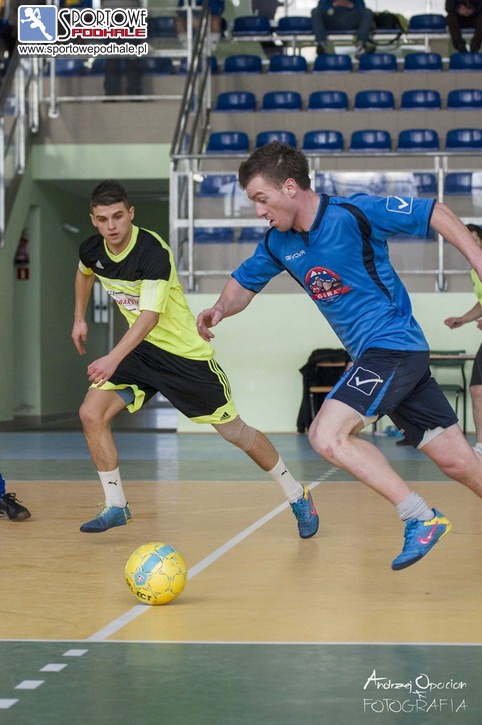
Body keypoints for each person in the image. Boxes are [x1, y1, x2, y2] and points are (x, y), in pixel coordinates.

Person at [196, 141, 482, 571]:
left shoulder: (354, 213)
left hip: (393, 346)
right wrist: (220, 308)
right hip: (383, 358)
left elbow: (434, 212)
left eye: (261, 198)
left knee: (326, 435)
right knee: (459, 463)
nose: (258, 211)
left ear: (289, 187)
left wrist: (479, 261)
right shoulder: (278, 243)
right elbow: (244, 283)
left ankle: (420, 517)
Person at [71, 180, 318, 538]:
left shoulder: (151, 251)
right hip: (140, 352)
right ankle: (116, 505)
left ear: (131, 214)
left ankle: (297, 495)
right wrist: (79, 318)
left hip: (183, 357)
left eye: (118, 216)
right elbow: (84, 272)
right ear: (93, 220)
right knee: (91, 413)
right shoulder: (92, 249)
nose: (112, 226)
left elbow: (149, 317)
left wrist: (111, 358)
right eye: (103, 219)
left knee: (236, 433)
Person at [445, 223, 482, 455]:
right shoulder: (474, 271)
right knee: (477, 388)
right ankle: (481, 446)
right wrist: (464, 319)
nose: (468, 244)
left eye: (473, 239)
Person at [101, 0, 144, 97]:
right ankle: (112, 92)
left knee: (132, 56)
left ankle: (133, 91)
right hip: (110, 15)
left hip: (130, 14)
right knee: (112, 57)